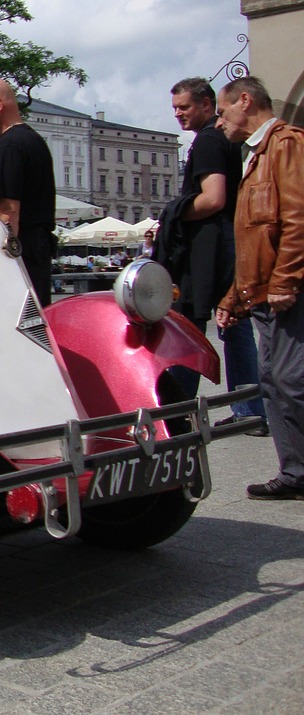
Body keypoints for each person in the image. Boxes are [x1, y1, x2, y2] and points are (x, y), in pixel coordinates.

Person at [211, 76, 304, 499]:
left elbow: (298, 221)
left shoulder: (286, 145)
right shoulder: (255, 156)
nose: (219, 122)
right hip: (266, 295)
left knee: (290, 378)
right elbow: (254, 237)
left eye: (222, 111)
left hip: (286, 294)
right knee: (274, 381)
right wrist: (235, 296)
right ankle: (295, 473)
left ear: (245, 101)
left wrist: (286, 282)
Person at [158, 77, 266, 430]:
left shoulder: (207, 142)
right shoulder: (222, 141)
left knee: (189, 325)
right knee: (234, 327)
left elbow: (213, 198)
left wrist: (173, 212)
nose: (178, 114)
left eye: (184, 107)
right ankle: (250, 409)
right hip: (226, 241)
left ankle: (175, 412)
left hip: (210, 246)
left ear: (206, 105)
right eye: (175, 108)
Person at [0, 78, 57, 306]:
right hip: (37, 250)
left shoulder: (9, 146)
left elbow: (8, 213)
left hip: (21, 253)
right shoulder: (34, 141)